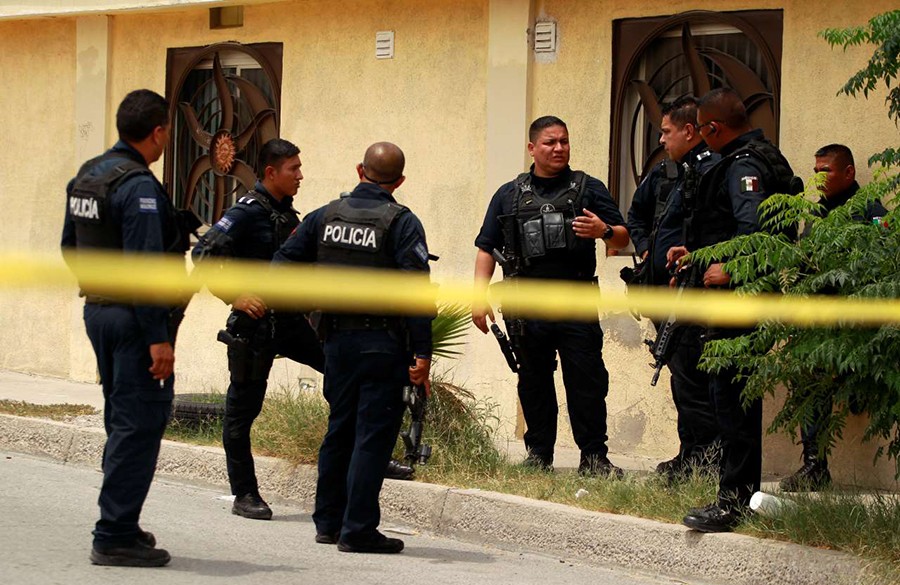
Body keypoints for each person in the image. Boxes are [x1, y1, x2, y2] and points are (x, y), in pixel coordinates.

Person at [273, 142, 433, 553]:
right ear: (399, 181)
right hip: (381, 343)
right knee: (373, 437)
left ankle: (328, 522)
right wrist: (422, 353)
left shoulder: (324, 216)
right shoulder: (402, 222)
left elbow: (282, 265)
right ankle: (358, 529)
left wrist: (313, 305)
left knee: (339, 429)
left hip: (336, 342)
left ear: (359, 170)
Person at [61, 89, 191, 567]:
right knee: (139, 423)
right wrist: (158, 336)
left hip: (100, 311)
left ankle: (124, 523)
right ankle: (113, 534)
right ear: (157, 132)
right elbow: (143, 267)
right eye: (166, 134)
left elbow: (69, 246)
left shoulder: (88, 176)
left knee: (123, 418)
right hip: (136, 322)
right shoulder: (137, 185)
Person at [668, 88, 799, 532]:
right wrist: (701, 255)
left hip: (738, 299)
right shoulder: (764, 155)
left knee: (732, 400)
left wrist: (730, 269)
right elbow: (733, 229)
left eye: (703, 133)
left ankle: (733, 502)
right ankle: (737, 495)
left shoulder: (743, 164)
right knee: (734, 398)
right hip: (746, 294)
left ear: (712, 129)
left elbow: (755, 228)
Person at [472, 115, 629, 476]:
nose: (559, 148)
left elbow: (623, 237)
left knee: (586, 381)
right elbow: (486, 247)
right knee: (533, 381)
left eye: (564, 141)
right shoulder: (508, 194)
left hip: (576, 300)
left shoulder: (588, 187)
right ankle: (539, 456)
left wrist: (604, 230)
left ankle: (594, 458)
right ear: (532, 148)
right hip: (526, 306)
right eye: (550, 142)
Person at [192, 138, 326, 520]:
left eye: (300, 168)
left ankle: (366, 458)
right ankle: (244, 494)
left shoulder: (287, 214)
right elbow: (202, 254)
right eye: (293, 169)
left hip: (289, 321)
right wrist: (232, 295)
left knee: (344, 375)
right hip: (253, 328)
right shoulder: (246, 212)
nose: (300, 175)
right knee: (242, 411)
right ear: (271, 172)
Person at [779, 144, 887, 492]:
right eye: (815, 172)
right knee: (810, 390)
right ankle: (814, 466)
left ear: (849, 173)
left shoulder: (869, 210)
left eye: (825, 171)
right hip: (816, 323)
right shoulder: (817, 212)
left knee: (854, 393)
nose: (819, 178)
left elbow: (882, 265)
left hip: (853, 325)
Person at [626, 96, 721, 480]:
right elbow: (636, 217)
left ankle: (706, 458)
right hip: (664, 294)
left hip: (694, 294)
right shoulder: (667, 174)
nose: (661, 140)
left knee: (696, 380)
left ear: (688, 130)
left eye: (666, 132)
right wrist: (649, 251)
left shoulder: (710, 170)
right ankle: (691, 453)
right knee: (681, 379)